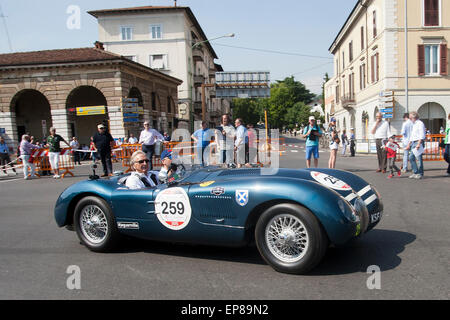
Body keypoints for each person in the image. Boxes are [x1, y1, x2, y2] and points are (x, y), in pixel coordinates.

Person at [406, 111, 426, 179]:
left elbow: (422, 134)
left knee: (419, 158)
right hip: (414, 142)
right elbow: (412, 135)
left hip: (418, 142)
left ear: (414, 117)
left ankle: (420, 173)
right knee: (411, 157)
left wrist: (419, 143)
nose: (410, 119)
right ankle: (415, 172)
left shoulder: (420, 123)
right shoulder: (414, 124)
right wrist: (409, 144)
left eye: (410, 118)